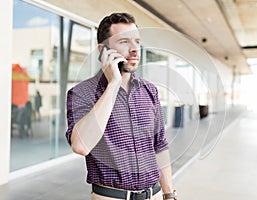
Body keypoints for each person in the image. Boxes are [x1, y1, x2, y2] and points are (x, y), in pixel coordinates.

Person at [66, 13, 177, 200]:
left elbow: (160, 146)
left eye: (137, 41)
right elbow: (81, 146)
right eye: (124, 42)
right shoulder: (81, 93)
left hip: (155, 195)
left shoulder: (150, 91)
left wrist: (169, 194)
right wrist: (112, 85)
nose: (134, 49)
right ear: (103, 50)